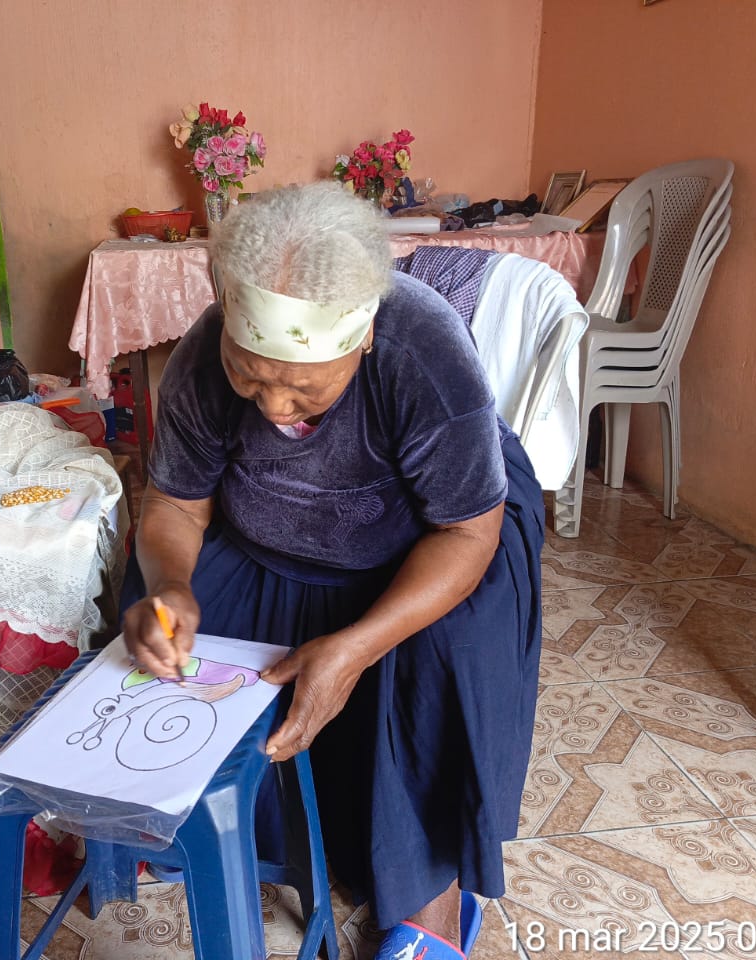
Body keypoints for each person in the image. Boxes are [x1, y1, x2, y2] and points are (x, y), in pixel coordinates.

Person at [120, 182, 543, 959]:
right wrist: (171, 585)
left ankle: (435, 898)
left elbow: (465, 532)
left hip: (430, 538)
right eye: (251, 377)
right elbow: (176, 506)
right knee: (162, 619)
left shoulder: (424, 352)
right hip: (265, 535)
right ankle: (223, 823)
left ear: (365, 337)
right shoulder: (200, 359)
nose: (275, 407)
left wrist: (356, 647)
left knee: (447, 648)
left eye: (304, 387)